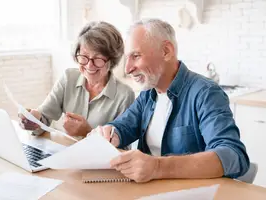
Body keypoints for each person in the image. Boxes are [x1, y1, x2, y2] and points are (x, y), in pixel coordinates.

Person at [90, 19, 249, 183]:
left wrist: (157, 167)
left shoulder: (206, 93)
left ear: (166, 51)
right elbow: (124, 126)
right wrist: (111, 133)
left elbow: (233, 156)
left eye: (135, 56)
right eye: (127, 58)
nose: (128, 69)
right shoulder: (149, 93)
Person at [19, 21, 135, 137]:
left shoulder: (124, 95)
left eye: (98, 58)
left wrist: (88, 132)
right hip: (65, 150)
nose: (89, 65)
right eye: (84, 56)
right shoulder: (69, 78)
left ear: (112, 60)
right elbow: (44, 118)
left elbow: (122, 149)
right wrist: (33, 121)